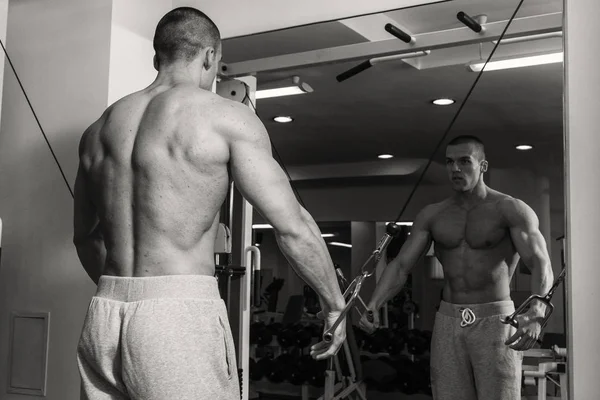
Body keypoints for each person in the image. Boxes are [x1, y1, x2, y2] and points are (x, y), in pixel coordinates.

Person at [72, 7, 346, 400]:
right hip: (176, 314)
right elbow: (291, 225)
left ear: (157, 57)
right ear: (210, 56)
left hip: (104, 312)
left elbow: (85, 237)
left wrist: (129, 294)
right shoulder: (225, 118)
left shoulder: (98, 130)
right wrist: (334, 304)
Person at [359, 135, 554, 400]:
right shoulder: (433, 215)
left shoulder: (510, 209)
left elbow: (541, 263)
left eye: (464, 161)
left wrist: (536, 313)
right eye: (449, 162)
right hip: (448, 320)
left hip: (495, 319)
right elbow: (401, 265)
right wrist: (374, 304)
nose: (455, 169)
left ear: (483, 166)